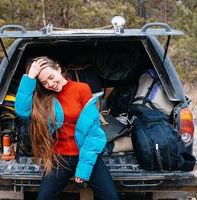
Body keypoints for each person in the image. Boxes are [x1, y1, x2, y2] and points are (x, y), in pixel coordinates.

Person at [15, 56, 119, 200]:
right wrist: (30, 77)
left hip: (85, 153)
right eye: (44, 82)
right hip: (59, 158)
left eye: (51, 77)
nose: (50, 84)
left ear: (58, 68)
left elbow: (93, 132)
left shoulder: (81, 89)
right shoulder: (44, 98)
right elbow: (22, 111)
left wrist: (83, 169)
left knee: (110, 196)